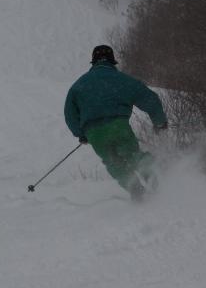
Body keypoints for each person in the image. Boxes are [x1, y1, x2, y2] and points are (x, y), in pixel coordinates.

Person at [64, 45, 168, 201]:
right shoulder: (123, 80)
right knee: (133, 155)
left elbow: (70, 114)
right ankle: (151, 176)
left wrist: (81, 134)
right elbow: (150, 99)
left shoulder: (79, 86)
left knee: (114, 163)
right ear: (112, 61)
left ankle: (132, 185)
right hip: (118, 126)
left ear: (93, 62)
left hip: (94, 133)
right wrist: (159, 122)